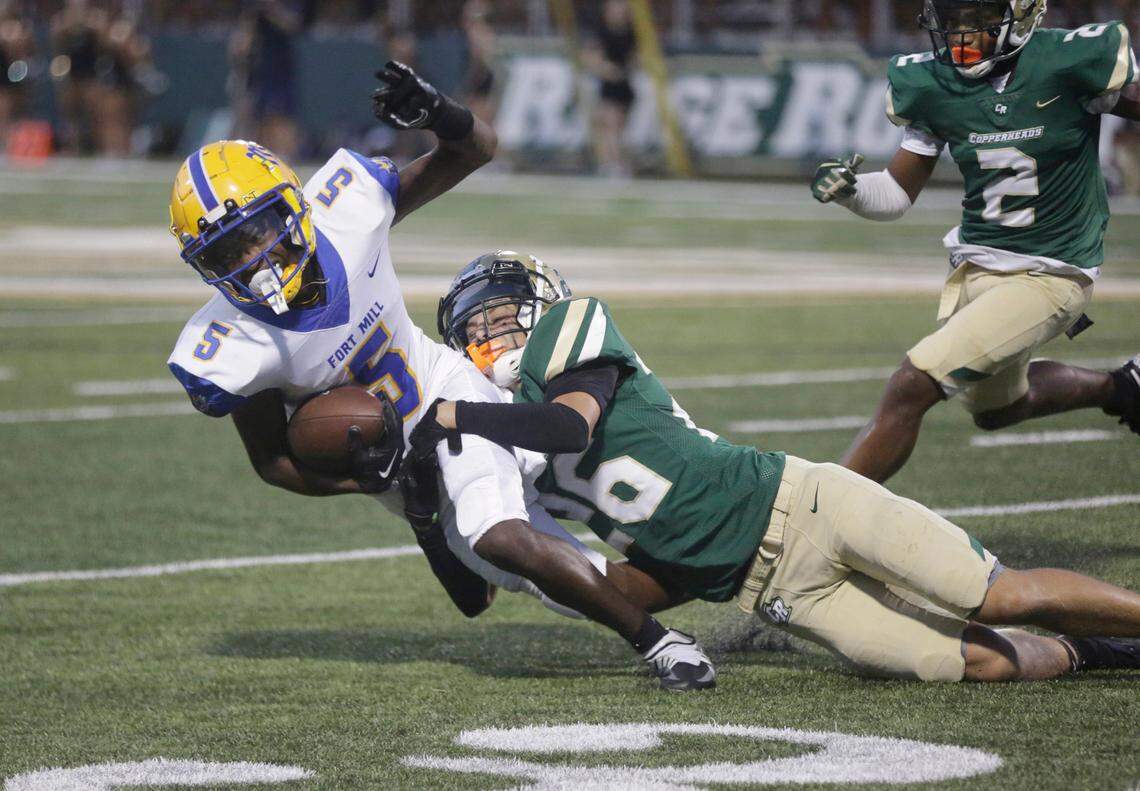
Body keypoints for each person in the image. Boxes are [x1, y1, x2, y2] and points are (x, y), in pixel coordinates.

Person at [164, 63, 712, 691]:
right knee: (580, 587)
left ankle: (663, 645)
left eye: (256, 231)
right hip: (400, 466)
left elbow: (474, 148)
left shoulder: (348, 211)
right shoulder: (231, 347)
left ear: (291, 205)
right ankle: (730, 575)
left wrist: (438, 114)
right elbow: (272, 461)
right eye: (225, 253)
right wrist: (365, 479)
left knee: (516, 528)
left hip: (458, 395)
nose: (252, 260)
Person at [407, 251, 1140, 683]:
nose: (489, 335)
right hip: (773, 592)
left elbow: (568, 424)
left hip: (802, 501)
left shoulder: (571, 333)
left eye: (501, 315)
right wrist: (428, 514)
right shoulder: (499, 446)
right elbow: (482, 588)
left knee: (996, 597)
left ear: (540, 304)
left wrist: (450, 416)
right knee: (979, 664)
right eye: (473, 330)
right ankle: (1095, 650)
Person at [811, 0, 1140, 484]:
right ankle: (1123, 388)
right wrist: (853, 192)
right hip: (974, 270)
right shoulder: (934, 85)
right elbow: (898, 193)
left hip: (1050, 274)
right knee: (998, 410)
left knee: (913, 383)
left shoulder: (1068, 63)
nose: (961, 35)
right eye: (952, 22)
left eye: (978, 20)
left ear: (1023, 15)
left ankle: (819, 514)